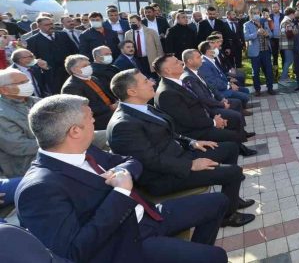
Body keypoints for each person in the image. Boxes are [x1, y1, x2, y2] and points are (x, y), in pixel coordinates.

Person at [16, 94, 229, 262]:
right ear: (74, 131)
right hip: (125, 243)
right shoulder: (38, 189)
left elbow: (131, 161)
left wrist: (124, 174)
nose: (94, 123)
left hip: (148, 216)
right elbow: (74, 250)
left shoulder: (83, 150)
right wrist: (120, 193)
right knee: (216, 256)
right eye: (91, 119)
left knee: (219, 202)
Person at [107, 70, 255, 227]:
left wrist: (192, 142)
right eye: (145, 81)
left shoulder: (141, 108)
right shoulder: (123, 125)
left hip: (178, 155)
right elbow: (150, 161)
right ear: (132, 91)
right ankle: (227, 216)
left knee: (231, 148)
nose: (152, 82)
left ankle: (232, 200)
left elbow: (170, 133)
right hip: (163, 176)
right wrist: (191, 165)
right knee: (233, 172)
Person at [153, 54, 254, 154]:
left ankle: (240, 149)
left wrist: (215, 117)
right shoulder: (166, 93)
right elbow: (187, 121)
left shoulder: (176, 83)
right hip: (194, 133)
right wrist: (214, 122)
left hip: (203, 120)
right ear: (167, 70)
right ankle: (234, 154)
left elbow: (198, 103)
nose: (181, 62)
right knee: (232, 136)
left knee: (233, 119)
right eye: (176, 62)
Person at [182, 48, 252, 119]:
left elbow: (211, 87)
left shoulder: (196, 71)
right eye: (198, 57)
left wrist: (221, 98)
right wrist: (222, 104)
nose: (201, 59)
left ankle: (240, 127)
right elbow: (204, 98)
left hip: (215, 99)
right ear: (190, 61)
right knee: (236, 115)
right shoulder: (189, 77)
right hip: (209, 107)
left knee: (237, 103)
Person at [0, 68, 40, 178]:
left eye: (27, 81)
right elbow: (18, 146)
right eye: (21, 83)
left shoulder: (38, 102)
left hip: (51, 158)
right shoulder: (2, 114)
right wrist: (58, 142)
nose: (28, 84)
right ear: (4, 90)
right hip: (25, 170)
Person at [61, 54, 117, 131]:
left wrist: (116, 102)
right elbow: (81, 109)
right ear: (74, 69)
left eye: (89, 64)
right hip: (98, 121)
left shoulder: (93, 78)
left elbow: (106, 95)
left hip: (112, 112)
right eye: (85, 66)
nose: (89, 67)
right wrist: (110, 107)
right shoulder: (71, 87)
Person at [26, 17, 78, 94]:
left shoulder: (63, 35)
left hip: (68, 71)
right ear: (39, 26)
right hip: (51, 75)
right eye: (46, 25)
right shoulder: (32, 41)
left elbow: (74, 50)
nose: (50, 26)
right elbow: (33, 59)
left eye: (51, 24)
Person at [198, 42, 252, 107]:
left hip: (224, 86)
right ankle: (239, 109)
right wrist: (229, 86)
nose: (216, 49)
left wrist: (229, 83)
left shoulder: (211, 60)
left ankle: (242, 108)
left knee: (245, 90)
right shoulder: (204, 64)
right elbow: (213, 82)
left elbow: (220, 76)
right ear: (208, 51)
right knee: (245, 96)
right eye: (214, 48)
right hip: (220, 92)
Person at [243, 6, 277, 96]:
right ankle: (257, 90)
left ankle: (270, 88)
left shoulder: (265, 22)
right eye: (254, 13)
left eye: (257, 13)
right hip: (255, 52)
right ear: (250, 14)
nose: (256, 15)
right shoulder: (247, 24)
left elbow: (271, 34)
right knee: (256, 72)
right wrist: (256, 33)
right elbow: (246, 37)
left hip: (266, 51)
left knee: (269, 71)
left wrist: (267, 34)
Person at [279, 7, 296, 82]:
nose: (294, 16)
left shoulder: (285, 20)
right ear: (291, 14)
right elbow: (289, 34)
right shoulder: (287, 21)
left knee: (288, 60)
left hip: (285, 44)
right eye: (294, 14)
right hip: (287, 44)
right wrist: (296, 31)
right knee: (289, 61)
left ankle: (284, 77)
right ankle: (283, 77)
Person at [269, 2, 283, 75]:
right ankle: (275, 73)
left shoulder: (283, 16)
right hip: (273, 39)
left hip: (282, 39)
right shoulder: (269, 17)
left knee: (283, 56)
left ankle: (284, 73)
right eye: (273, 7)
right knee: (275, 57)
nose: (274, 8)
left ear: (279, 7)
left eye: (276, 7)